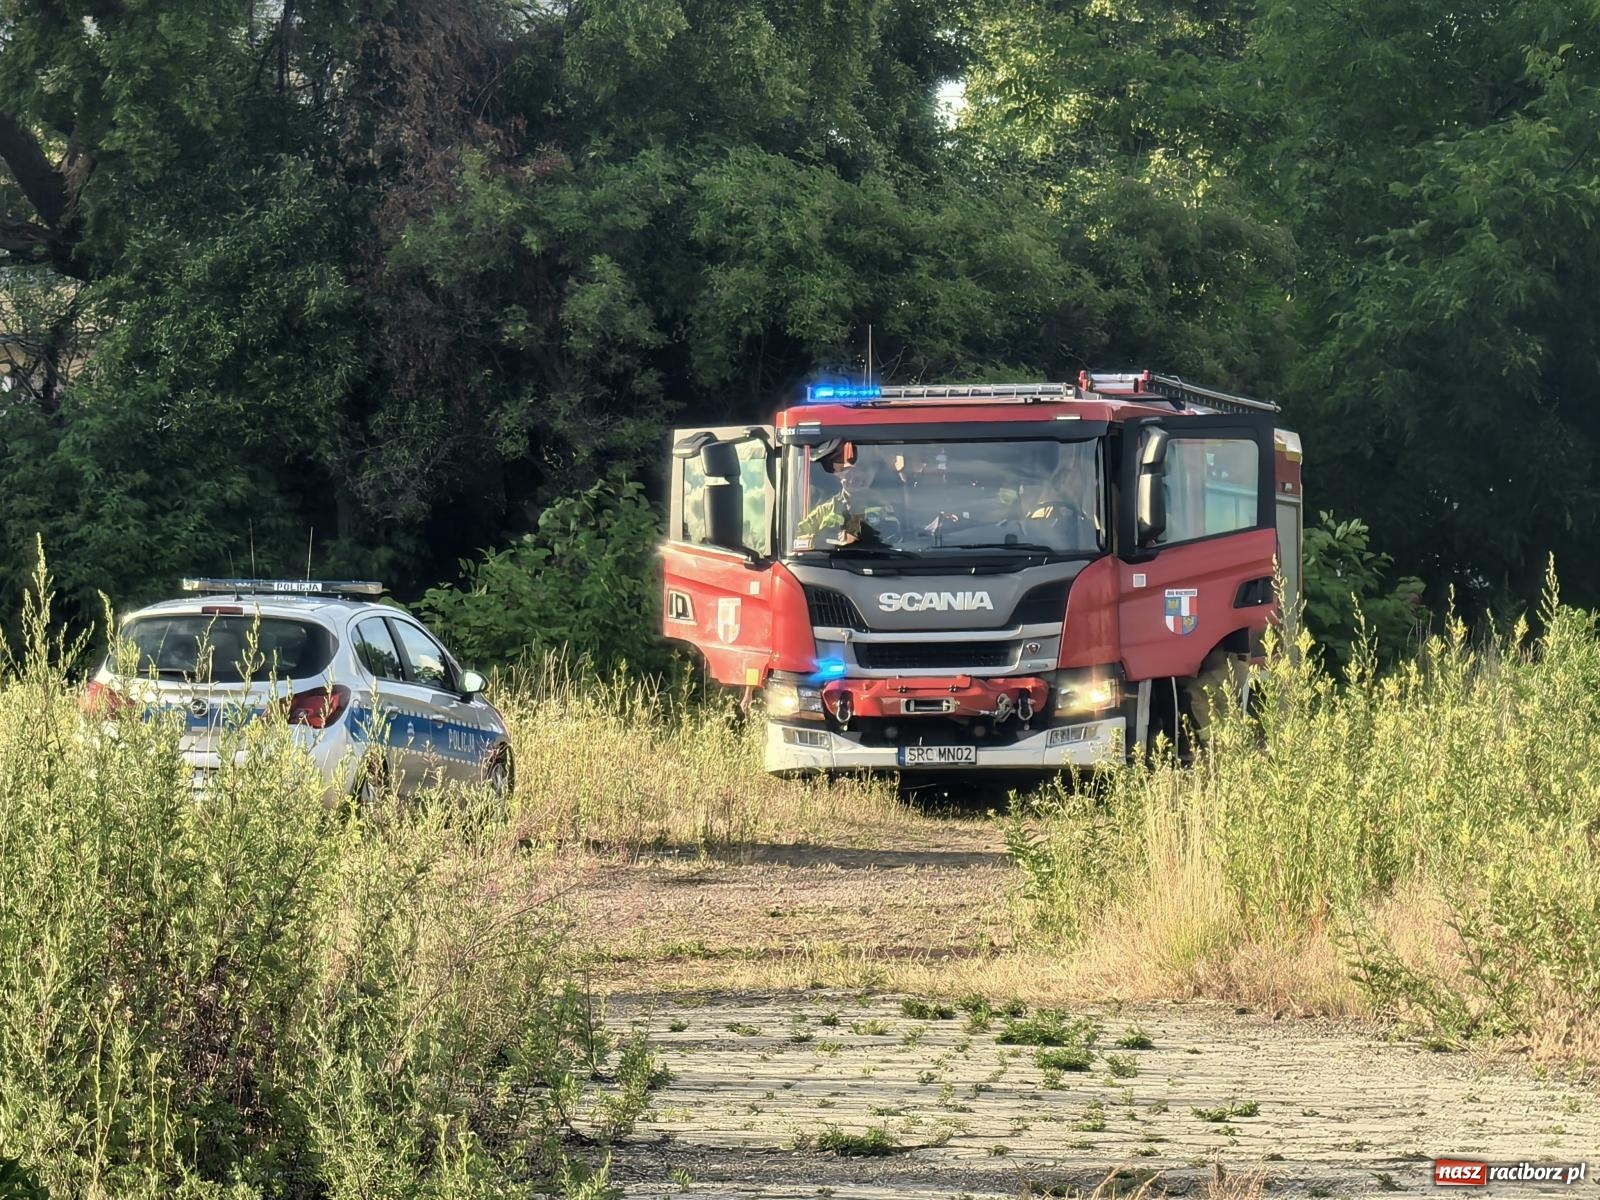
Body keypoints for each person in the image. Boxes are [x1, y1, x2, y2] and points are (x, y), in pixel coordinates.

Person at [796, 443, 898, 547]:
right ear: (838, 475)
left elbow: (894, 536)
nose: (854, 477)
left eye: (861, 470)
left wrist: (860, 537)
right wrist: (820, 540)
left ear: (873, 473)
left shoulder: (885, 506)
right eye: (847, 471)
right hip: (830, 560)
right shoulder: (826, 510)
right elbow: (798, 536)